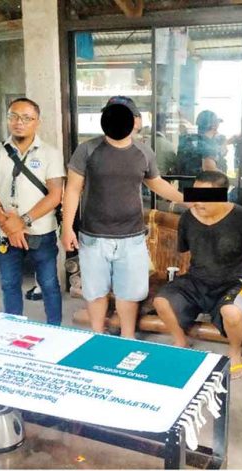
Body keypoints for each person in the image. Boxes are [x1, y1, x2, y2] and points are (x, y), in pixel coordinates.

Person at [61, 96, 186, 339]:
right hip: (93, 237)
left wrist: (188, 199)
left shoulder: (143, 152)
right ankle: (98, 335)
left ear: (136, 120)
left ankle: (127, 338)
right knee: (95, 291)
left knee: (129, 293)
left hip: (132, 238)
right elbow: (73, 189)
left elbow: (157, 184)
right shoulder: (87, 149)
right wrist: (67, 228)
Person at [154, 170, 242, 379]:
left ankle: (235, 352)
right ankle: (181, 342)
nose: (197, 202)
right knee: (161, 301)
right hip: (197, 279)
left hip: (237, 281)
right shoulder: (187, 218)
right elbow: (189, 254)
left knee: (232, 312)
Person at [0, 97, 64, 324]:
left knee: (48, 284)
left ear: (38, 122)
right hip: (4, 232)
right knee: (9, 284)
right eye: (14, 116)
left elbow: (55, 195)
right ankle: (13, 330)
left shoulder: (50, 153)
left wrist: (23, 221)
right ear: (8, 119)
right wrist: (7, 222)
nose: (20, 122)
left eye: (27, 118)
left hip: (41, 231)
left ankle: (55, 330)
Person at [176, 110, 228, 190]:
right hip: (201, 192)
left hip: (184, 189)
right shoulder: (209, 143)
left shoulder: (188, 140)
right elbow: (209, 168)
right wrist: (225, 178)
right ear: (214, 126)